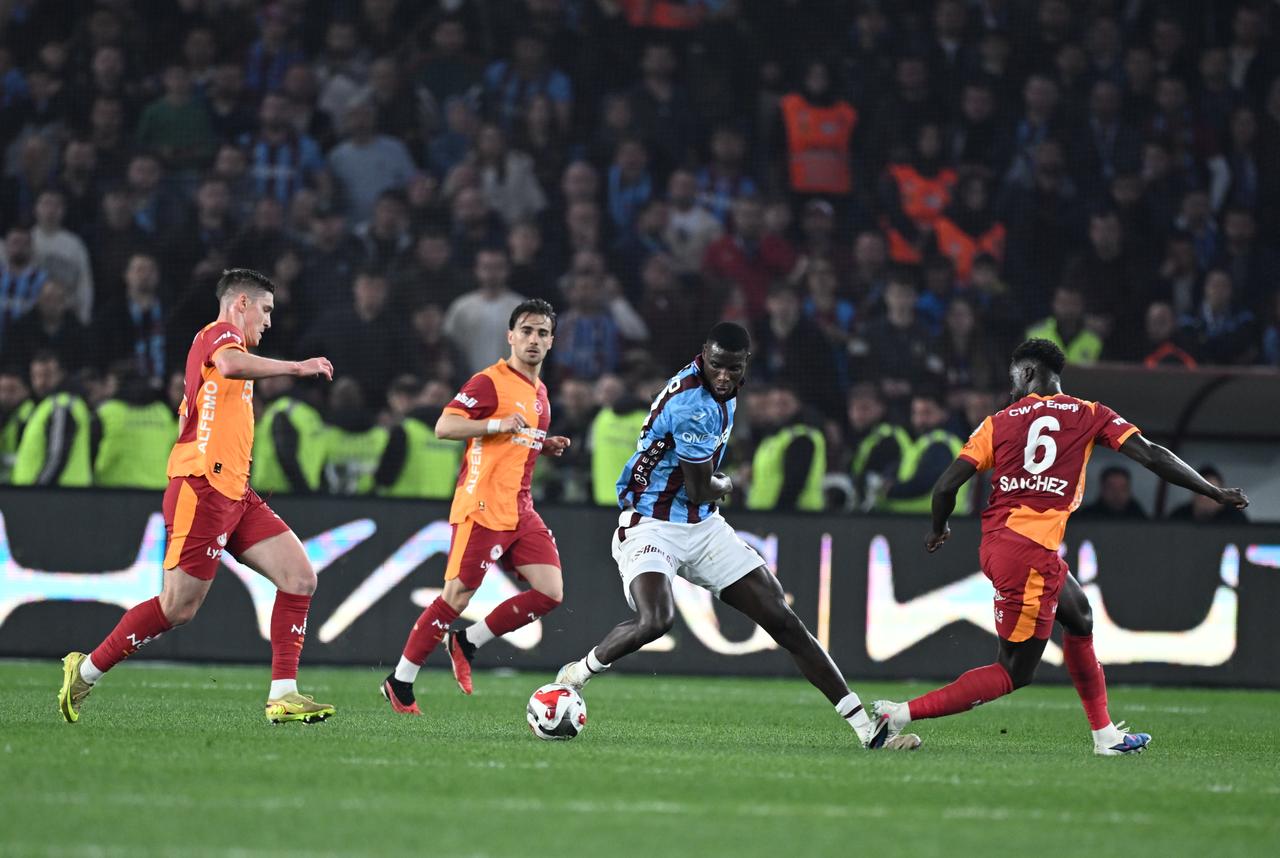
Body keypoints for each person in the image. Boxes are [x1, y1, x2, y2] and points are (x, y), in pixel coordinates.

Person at [870, 338, 1249, 755]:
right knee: (1014, 671)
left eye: (1014, 377)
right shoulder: (1090, 414)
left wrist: (938, 529)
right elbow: (1153, 456)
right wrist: (1212, 492)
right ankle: (898, 715)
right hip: (1028, 552)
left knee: (1080, 615)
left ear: (1029, 373)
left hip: (1011, 545)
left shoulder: (997, 422)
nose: (1011, 388)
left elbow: (945, 488)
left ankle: (1106, 736)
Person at [554, 323, 920, 751]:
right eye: (716, 366)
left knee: (782, 618)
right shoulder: (695, 404)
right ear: (702, 358)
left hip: (703, 526)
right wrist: (729, 483)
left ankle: (866, 730)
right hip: (651, 523)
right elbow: (699, 487)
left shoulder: (717, 388)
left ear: (745, 363)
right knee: (657, 620)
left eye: (732, 367)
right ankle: (577, 673)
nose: (724, 376)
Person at [57, 268, 338, 725]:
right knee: (177, 607)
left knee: (300, 578)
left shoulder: (233, 346)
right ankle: (84, 670)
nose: (268, 321)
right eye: (265, 310)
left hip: (235, 493)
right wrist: (296, 366)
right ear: (241, 303)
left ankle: (284, 694)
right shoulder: (221, 334)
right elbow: (228, 366)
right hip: (201, 487)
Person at [381, 299, 571, 713]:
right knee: (457, 596)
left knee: (550, 591)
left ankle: (468, 641)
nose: (533, 339)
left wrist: (544, 442)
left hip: (520, 507)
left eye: (542, 333)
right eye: (526, 331)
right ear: (510, 336)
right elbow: (445, 425)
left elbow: (514, 443)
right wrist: (494, 424)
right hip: (482, 504)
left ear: (552, 341)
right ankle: (400, 681)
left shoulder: (539, 393)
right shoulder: (489, 382)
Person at [1167, 466, 1251, 524]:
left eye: (1211, 492)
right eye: (1200, 491)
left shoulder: (1235, 519)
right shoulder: (1179, 517)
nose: (1204, 498)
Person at [1077, 466, 1147, 519]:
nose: (1117, 493)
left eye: (1122, 489)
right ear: (1102, 489)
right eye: (1111, 488)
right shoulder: (1087, 516)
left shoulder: (1139, 517)